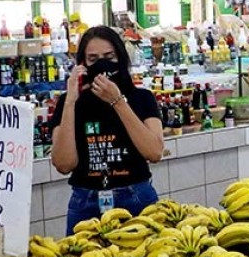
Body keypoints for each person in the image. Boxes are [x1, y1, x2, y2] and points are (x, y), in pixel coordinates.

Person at [51, 26, 165, 235]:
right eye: (93, 59)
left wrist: (117, 101)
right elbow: (63, 164)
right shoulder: (70, 103)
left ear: (120, 58)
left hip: (136, 198)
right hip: (86, 203)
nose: (102, 64)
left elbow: (154, 152)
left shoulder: (142, 98)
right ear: (82, 64)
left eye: (109, 57)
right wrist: (70, 101)